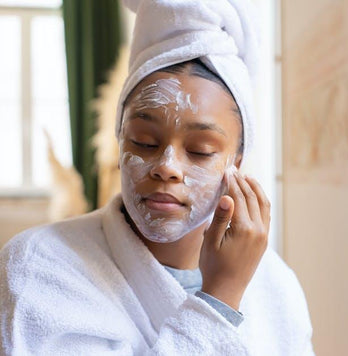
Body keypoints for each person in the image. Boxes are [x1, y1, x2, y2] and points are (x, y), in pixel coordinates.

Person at [0, 0, 314, 355]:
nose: (167, 165)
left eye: (200, 150)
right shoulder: (39, 268)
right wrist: (220, 298)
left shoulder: (275, 285)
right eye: (144, 141)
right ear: (119, 141)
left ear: (236, 164)